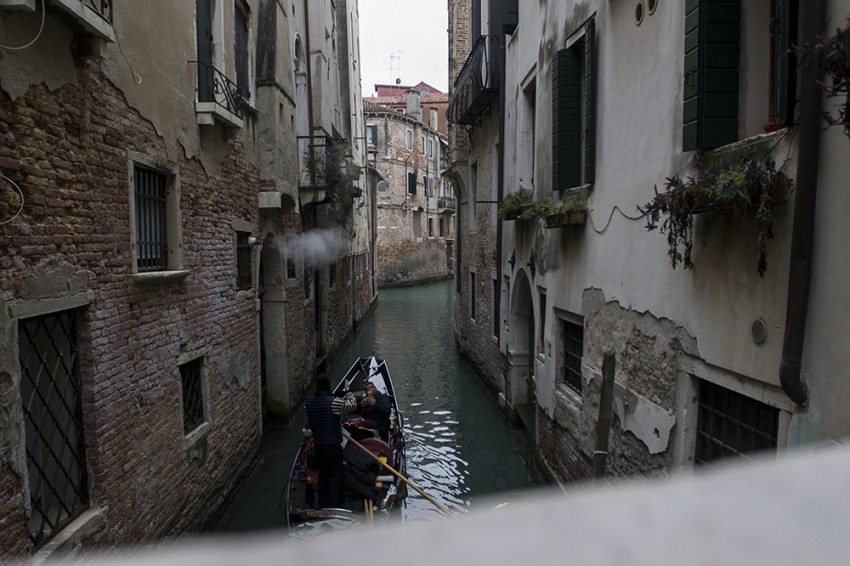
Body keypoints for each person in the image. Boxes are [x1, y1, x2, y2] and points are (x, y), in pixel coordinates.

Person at [305, 374, 356, 508]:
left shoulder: (309, 403)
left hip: (318, 446)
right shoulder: (333, 402)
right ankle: (332, 506)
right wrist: (348, 391)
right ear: (328, 386)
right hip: (333, 446)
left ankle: (322, 504)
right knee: (334, 476)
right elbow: (352, 406)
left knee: (323, 475)